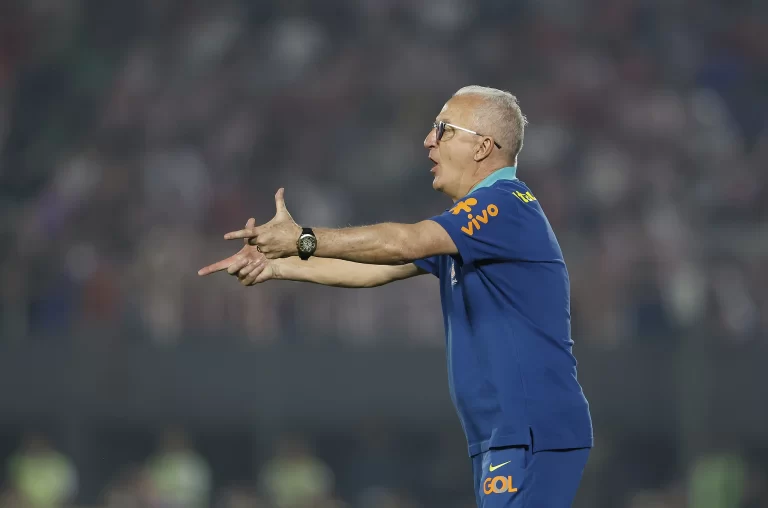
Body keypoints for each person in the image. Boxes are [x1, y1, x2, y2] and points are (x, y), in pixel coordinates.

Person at [199, 86, 593, 507]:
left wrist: (304, 238)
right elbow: (373, 269)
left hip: (531, 428)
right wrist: (279, 263)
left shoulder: (506, 205)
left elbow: (405, 242)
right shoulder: (470, 233)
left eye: (442, 129)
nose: (428, 140)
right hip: (504, 434)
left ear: (482, 147)